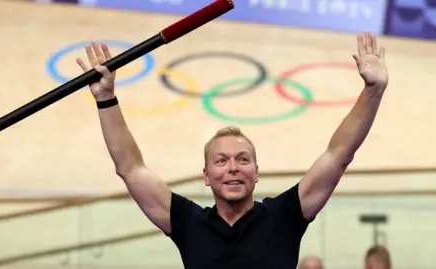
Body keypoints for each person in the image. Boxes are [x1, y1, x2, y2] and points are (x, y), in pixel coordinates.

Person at [75, 30, 389, 269]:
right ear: (207, 176)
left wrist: (373, 91)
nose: (233, 167)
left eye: (242, 159)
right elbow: (130, 168)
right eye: (221, 161)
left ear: (256, 172)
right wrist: (105, 98)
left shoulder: (284, 216)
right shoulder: (187, 222)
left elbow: (338, 154)